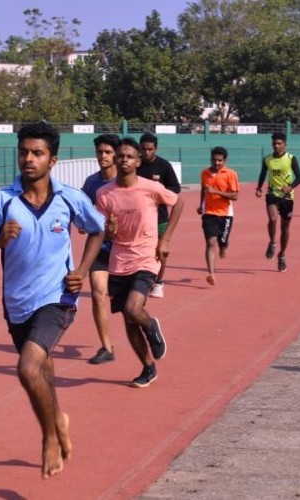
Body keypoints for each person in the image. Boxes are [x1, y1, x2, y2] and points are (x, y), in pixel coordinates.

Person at [0, 122, 105, 479]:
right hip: (17, 303)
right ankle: (58, 419)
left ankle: (48, 438)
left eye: (37, 153)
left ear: (53, 159)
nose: (29, 159)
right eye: (24, 152)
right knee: (42, 370)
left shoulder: (69, 198)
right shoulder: (1, 201)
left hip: (58, 298)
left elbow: (97, 227)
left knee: (28, 368)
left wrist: (85, 269)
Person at [96, 137, 184, 388]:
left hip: (146, 256)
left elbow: (179, 202)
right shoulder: (104, 193)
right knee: (127, 318)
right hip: (119, 260)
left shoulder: (150, 188)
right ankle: (148, 368)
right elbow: (104, 231)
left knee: (134, 309)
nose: (124, 160)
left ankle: (152, 325)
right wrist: (109, 230)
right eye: (120, 156)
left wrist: (165, 238)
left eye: (129, 157)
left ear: (137, 161)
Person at [81, 134, 120, 364]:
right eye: (99, 152)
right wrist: (84, 224)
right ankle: (106, 347)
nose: (102, 156)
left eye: (107, 152)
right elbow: (83, 210)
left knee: (128, 305)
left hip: (126, 250)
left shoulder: (126, 182)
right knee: (98, 294)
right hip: (101, 248)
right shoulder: (91, 183)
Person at [137, 132, 181, 298]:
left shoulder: (164, 166)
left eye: (150, 149)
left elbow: (175, 188)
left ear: (156, 149)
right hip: (137, 219)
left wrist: (159, 193)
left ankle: (159, 282)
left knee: (160, 251)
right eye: (144, 149)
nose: (146, 153)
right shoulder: (135, 165)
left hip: (160, 218)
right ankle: (140, 282)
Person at [255, 132, 300, 273]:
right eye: (274, 143)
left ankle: (282, 255)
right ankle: (272, 242)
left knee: (285, 228)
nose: (276, 146)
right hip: (272, 194)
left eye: (279, 143)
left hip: (287, 197)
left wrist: (290, 186)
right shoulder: (267, 159)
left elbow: (299, 178)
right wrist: (259, 187)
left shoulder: (291, 158)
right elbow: (263, 174)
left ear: (285, 145)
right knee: (272, 218)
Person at [197, 146, 239, 285]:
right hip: (209, 213)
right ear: (211, 159)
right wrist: (201, 204)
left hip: (225, 214)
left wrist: (216, 191)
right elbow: (204, 190)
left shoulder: (230, 174)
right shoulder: (204, 173)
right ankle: (211, 273)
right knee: (210, 242)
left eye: (219, 160)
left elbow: (235, 196)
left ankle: (223, 246)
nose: (216, 163)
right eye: (214, 160)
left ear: (224, 161)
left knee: (222, 241)